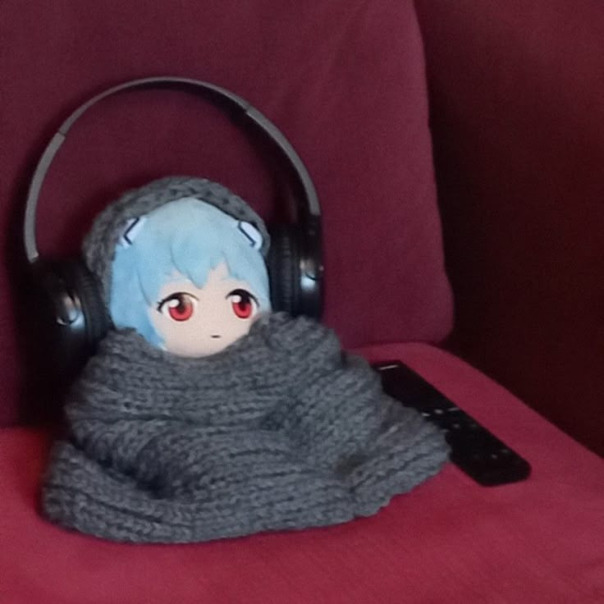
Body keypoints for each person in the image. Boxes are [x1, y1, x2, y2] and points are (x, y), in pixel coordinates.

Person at [42, 177, 449, 543]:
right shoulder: (118, 403)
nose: (216, 326)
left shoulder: (303, 361)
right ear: (87, 313)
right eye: (180, 307)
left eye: (240, 302)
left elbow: (343, 402)